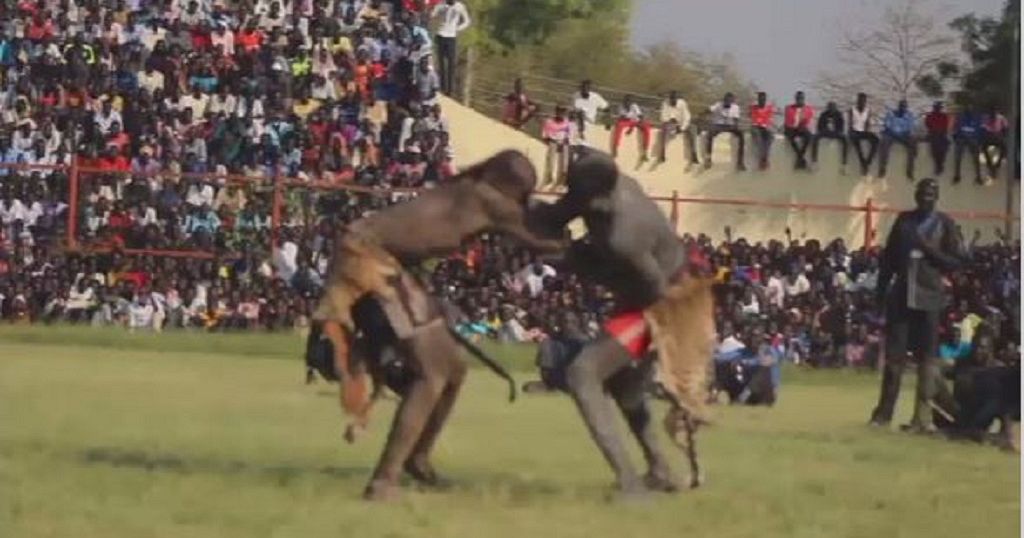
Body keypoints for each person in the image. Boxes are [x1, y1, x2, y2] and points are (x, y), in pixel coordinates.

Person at [869, 178, 967, 434]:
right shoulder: (904, 221)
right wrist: (880, 296)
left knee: (928, 363)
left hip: (930, 297)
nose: (925, 197)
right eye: (922, 193)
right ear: (915, 195)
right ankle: (882, 415)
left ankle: (922, 418)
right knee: (894, 361)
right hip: (901, 296)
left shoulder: (945, 224)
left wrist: (927, 249)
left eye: (931, 193)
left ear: (937, 197)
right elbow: (888, 260)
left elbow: (955, 262)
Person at [430, 0, 471, 96]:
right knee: (441, 62)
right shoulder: (441, 5)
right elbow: (433, 15)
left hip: (451, 36)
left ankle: (450, 89)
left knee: (451, 63)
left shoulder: (460, 6)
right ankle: (442, 87)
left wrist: (458, 28)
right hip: (441, 34)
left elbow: (467, 21)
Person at [657, 90, 698, 167]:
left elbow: (687, 117)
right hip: (670, 123)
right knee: (663, 128)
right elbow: (662, 117)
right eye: (671, 99)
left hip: (681, 124)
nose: (673, 101)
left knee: (693, 128)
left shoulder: (682, 103)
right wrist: (670, 120)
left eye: (674, 99)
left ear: (677, 98)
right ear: (669, 98)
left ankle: (694, 154)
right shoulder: (665, 103)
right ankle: (662, 153)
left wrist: (682, 128)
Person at [878, 99, 917, 180]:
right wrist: (893, 132)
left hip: (903, 135)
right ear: (899, 107)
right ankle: (882, 168)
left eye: (904, 107)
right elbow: (887, 125)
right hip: (891, 134)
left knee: (912, 143)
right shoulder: (891, 113)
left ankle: (910, 171)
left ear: (906, 108)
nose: (903, 108)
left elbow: (910, 127)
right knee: (884, 142)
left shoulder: (909, 115)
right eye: (901, 106)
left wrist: (904, 133)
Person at [705, 92, 745, 171]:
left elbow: (736, 119)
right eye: (726, 101)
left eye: (729, 102)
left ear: (732, 101)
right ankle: (708, 158)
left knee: (741, 135)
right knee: (710, 134)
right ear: (724, 100)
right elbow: (709, 110)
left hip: (730, 126)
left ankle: (740, 161)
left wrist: (736, 128)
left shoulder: (735, 107)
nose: (727, 103)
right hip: (718, 125)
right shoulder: (718, 105)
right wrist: (704, 114)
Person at [610, 94, 652, 161]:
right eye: (626, 101)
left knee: (647, 128)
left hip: (635, 122)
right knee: (619, 126)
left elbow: (640, 115)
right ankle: (615, 148)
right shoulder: (621, 107)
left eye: (629, 101)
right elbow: (623, 118)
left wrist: (639, 122)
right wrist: (631, 127)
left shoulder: (634, 106)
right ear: (624, 101)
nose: (628, 103)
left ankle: (645, 152)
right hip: (627, 121)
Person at [848, 93, 880, 176]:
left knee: (876, 139)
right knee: (856, 142)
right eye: (860, 100)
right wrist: (851, 132)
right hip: (854, 131)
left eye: (863, 101)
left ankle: (868, 162)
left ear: (865, 101)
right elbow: (850, 123)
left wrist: (868, 133)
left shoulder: (868, 110)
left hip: (863, 131)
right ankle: (863, 162)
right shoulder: (852, 110)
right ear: (857, 101)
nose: (862, 102)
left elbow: (867, 123)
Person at [541, 105, 573, 185]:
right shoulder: (549, 121)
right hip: (553, 142)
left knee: (563, 163)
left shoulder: (567, 122)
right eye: (559, 111)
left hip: (564, 142)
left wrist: (565, 140)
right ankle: (548, 178)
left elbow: (570, 134)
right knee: (550, 162)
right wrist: (549, 140)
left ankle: (561, 181)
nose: (561, 113)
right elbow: (545, 134)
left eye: (563, 111)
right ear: (556, 111)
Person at [952, 103, 983, 184]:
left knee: (974, 159)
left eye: (971, 107)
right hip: (964, 138)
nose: (970, 108)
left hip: (969, 138)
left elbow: (979, 128)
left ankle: (978, 176)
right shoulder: (961, 116)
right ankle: (958, 176)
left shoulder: (976, 117)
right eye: (968, 107)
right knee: (959, 158)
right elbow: (956, 126)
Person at [571, 80, 609, 146]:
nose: (584, 91)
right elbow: (574, 110)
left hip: (589, 127)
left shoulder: (595, 97)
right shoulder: (576, 96)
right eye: (582, 89)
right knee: (575, 147)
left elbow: (607, 108)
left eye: (586, 89)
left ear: (589, 89)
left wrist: (607, 122)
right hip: (577, 125)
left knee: (587, 148)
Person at [783, 91, 814, 169]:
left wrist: (802, 123)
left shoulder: (808, 108)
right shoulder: (789, 108)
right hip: (791, 128)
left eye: (801, 98)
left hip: (802, 128)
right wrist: (794, 126)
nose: (800, 100)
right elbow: (788, 120)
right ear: (795, 99)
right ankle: (801, 158)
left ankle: (799, 158)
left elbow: (807, 120)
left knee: (809, 137)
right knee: (791, 138)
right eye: (798, 98)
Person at [812, 101, 847, 171]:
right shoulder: (823, 114)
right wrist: (824, 131)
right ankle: (814, 161)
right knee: (815, 138)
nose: (831, 109)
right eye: (830, 107)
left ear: (835, 108)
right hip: (825, 132)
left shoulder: (839, 114)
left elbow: (842, 126)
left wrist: (837, 132)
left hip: (836, 132)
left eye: (833, 108)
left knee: (845, 139)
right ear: (828, 108)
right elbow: (819, 126)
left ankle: (844, 163)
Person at [980, 106, 1009, 179]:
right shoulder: (1000, 117)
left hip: (992, 136)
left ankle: (992, 165)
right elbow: (1006, 127)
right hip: (995, 136)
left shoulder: (988, 117)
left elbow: (983, 127)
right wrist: (1003, 135)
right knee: (1004, 148)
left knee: (984, 148)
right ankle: (995, 164)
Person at [924, 101, 951, 177]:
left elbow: (945, 127)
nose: (937, 109)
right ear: (934, 108)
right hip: (933, 134)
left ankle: (940, 165)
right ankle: (938, 166)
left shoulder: (944, 116)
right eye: (936, 107)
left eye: (939, 108)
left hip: (942, 135)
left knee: (944, 146)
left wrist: (942, 132)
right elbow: (928, 126)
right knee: (935, 148)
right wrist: (935, 131)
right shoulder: (929, 116)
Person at [749, 92, 774, 170]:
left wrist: (765, 125)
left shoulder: (769, 108)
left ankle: (765, 157)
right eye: (760, 99)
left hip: (764, 127)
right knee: (758, 137)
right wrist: (761, 123)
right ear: (758, 99)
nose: (762, 101)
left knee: (770, 136)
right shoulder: (753, 107)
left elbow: (769, 119)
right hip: (755, 127)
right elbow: (754, 119)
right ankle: (762, 159)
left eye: (763, 99)